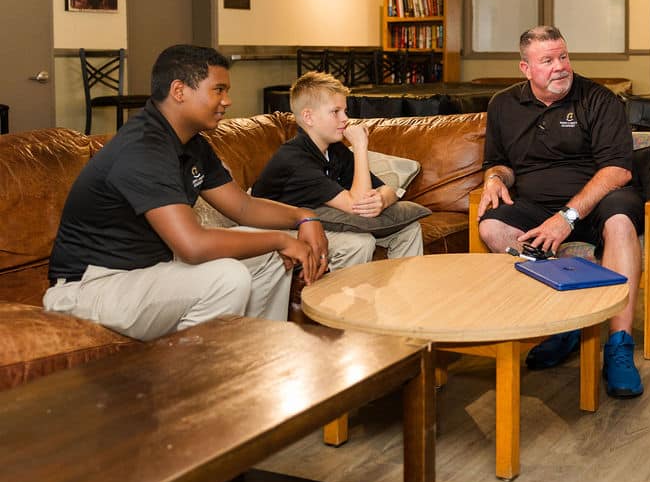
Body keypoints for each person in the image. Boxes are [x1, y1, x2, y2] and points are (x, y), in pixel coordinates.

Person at [44, 44, 329, 341]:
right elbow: (192, 246)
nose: (227, 101)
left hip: (149, 271)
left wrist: (303, 217)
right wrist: (282, 238)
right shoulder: (143, 149)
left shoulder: (192, 144)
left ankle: (258, 354)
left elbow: (242, 206)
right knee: (228, 278)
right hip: (91, 287)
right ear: (179, 91)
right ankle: (196, 380)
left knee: (268, 255)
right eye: (218, 90)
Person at [477, 25, 645, 398]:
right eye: (547, 60)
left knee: (620, 222)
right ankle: (563, 324)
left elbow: (618, 169)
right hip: (535, 204)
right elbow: (499, 163)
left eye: (563, 56)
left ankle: (618, 346)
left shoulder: (601, 100)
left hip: (600, 201)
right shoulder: (503, 104)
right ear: (525, 68)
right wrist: (494, 178)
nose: (560, 67)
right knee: (492, 228)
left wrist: (567, 217)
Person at [252, 71, 423, 267]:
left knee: (410, 229)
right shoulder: (295, 159)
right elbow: (357, 205)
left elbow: (385, 189)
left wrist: (383, 199)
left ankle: (403, 295)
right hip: (273, 230)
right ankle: (339, 298)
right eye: (336, 112)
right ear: (309, 117)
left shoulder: (334, 150)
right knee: (360, 243)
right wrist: (360, 146)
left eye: (345, 111)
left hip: (315, 218)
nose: (345, 119)